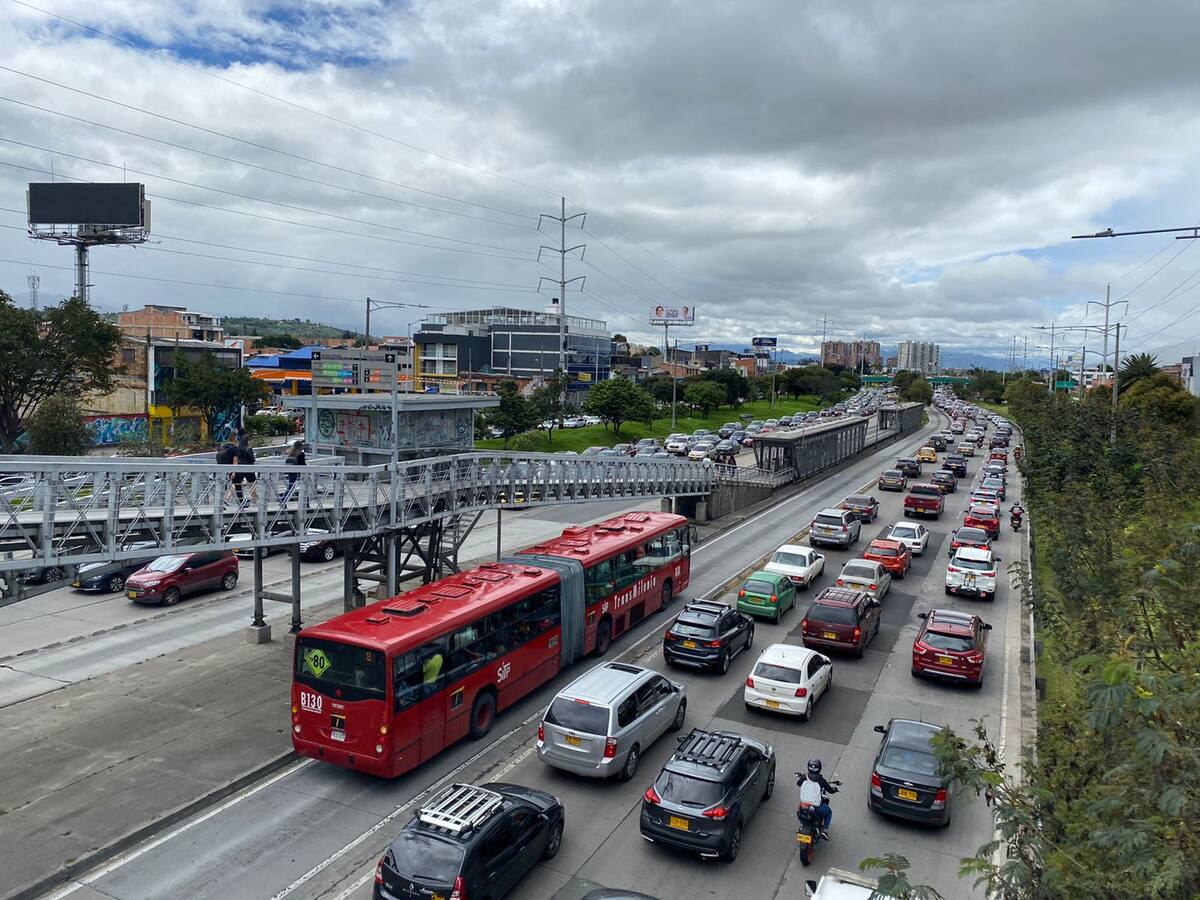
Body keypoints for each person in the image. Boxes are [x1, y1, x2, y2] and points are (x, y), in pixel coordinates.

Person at [805, 758, 838, 836]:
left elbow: (798, 783)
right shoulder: (821, 780)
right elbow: (830, 790)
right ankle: (825, 831)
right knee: (829, 812)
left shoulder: (805, 777)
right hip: (815, 805)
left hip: (804, 804)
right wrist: (835, 789)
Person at [233, 429, 258, 503]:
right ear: (247, 441)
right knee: (252, 483)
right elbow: (252, 459)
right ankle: (254, 499)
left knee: (237, 483)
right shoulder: (248, 449)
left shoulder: (238, 448)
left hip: (240, 467)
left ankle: (227, 498)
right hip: (248, 467)